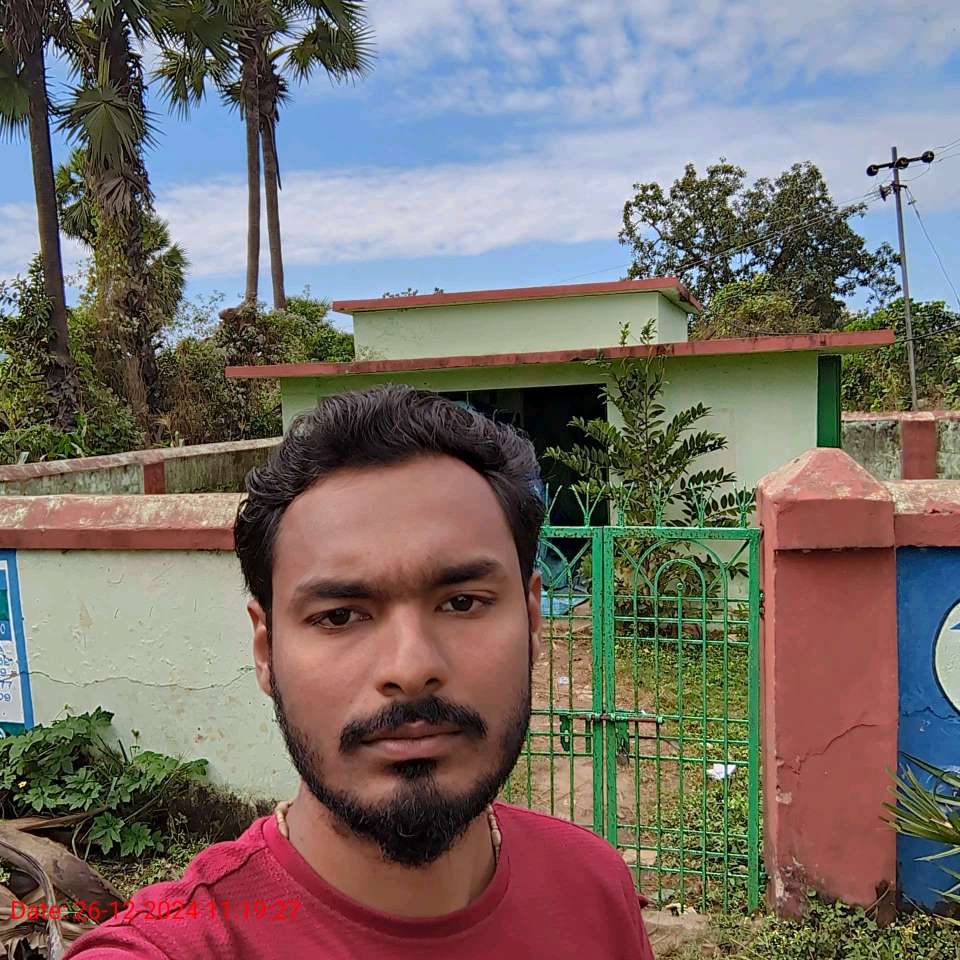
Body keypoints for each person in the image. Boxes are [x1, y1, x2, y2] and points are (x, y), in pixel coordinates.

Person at [65, 385, 654, 959]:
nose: (411, 668)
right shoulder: (180, 946)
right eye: (340, 615)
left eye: (462, 602)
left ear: (532, 620)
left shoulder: (595, 887)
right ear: (266, 651)